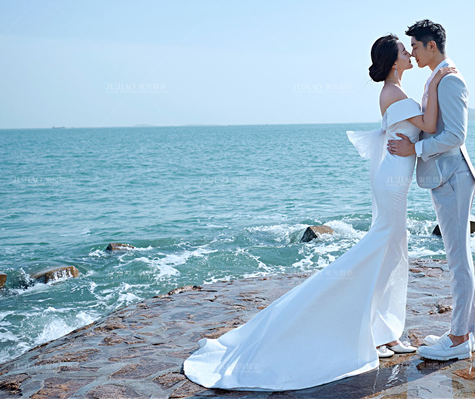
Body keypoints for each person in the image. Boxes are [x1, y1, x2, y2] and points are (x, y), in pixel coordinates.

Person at [182, 33, 456, 391]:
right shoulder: (393, 93)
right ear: (393, 62)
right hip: (391, 181)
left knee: (391, 254)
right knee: (381, 251)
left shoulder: (397, 92)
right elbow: (431, 127)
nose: (409, 54)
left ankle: (383, 333)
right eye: (405, 51)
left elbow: (419, 129)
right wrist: (436, 79)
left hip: (393, 178)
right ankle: (371, 331)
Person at [387, 19, 475, 361]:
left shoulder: (450, 79)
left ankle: (458, 339)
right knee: (458, 257)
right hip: (446, 177)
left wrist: (415, 149)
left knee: (458, 259)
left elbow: (455, 135)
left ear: (431, 45)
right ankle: (461, 332)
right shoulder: (437, 76)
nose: (412, 52)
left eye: (414, 46)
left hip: (453, 176)